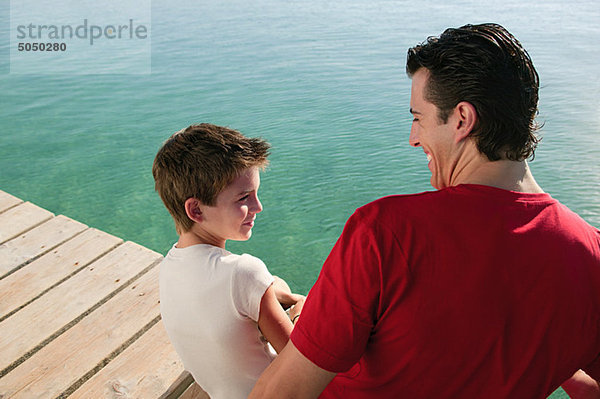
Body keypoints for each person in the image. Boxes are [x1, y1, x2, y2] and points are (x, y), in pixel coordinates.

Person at [250, 23, 600, 398]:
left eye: (418, 117)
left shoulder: (383, 234)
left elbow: (282, 394)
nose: (413, 138)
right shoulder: (590, 254)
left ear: (462, 119)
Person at [152, 123, 305, 399]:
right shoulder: (243, 273)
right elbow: (300, 362)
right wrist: (300, 310)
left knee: (274, 285)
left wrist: (272, 290)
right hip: (271, 393)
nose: (258, 207)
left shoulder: (170, 264)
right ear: (196, 209)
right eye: (244, 198)